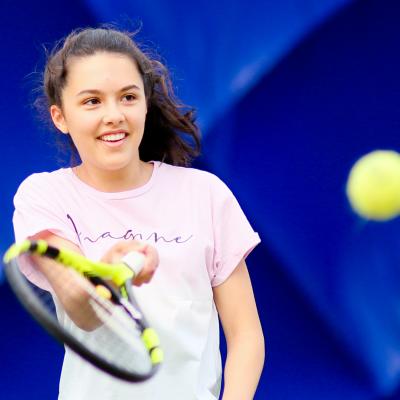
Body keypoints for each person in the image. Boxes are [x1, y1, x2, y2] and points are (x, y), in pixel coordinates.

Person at [12, 26, 265, 399]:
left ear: (145, 102)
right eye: (92, 101)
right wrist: (106, 273)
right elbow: (81, 307)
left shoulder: (206, 193)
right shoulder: (43, 195)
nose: (113, 115)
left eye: (127, 97)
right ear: (60, 116)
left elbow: (246, 335)